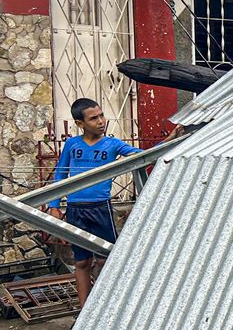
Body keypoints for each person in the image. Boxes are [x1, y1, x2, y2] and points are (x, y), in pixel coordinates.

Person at [45, 99, 183, 306]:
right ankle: (83, 311)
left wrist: (170, 140)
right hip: (75, 209)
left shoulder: (113, 144)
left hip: (101, 208)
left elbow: (144, 157)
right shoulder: (72, 144)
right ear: (80, 123)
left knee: (105, 259)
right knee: (82, 261)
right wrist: (54, 205)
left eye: (101, 115)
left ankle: (104, 307)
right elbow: (60, 174)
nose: (101, 121)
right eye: (94, 118)